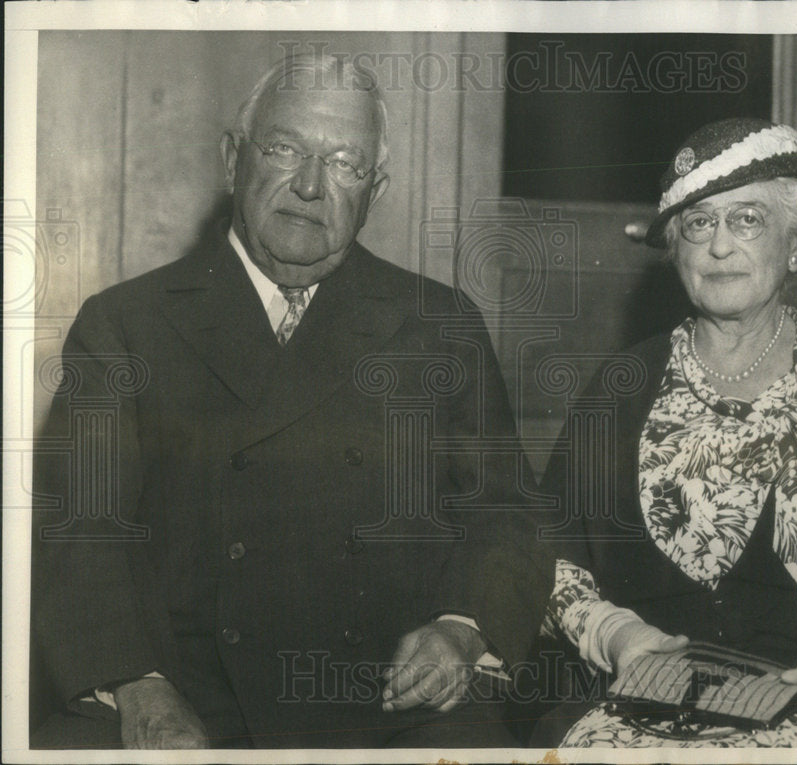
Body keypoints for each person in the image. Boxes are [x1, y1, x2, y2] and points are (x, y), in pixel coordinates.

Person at [31, 52, 551, 749]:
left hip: (389, 701)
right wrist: (136, 681)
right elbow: (82, 530)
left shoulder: (439, 324)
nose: (310, 185)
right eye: (284, 148)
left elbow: (505, 512)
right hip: (183, 691)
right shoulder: (126, 324)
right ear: (232, 159)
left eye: (346, 164)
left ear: (377, 190)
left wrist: (460, 628)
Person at [532, 117, 797, 747]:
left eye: (747, 220)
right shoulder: (622, 382)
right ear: (675, 248)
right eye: (699, 223)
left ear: (794, 247)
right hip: (639, 713)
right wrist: (617, 634)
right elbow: (542, 555)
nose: (720, 247)